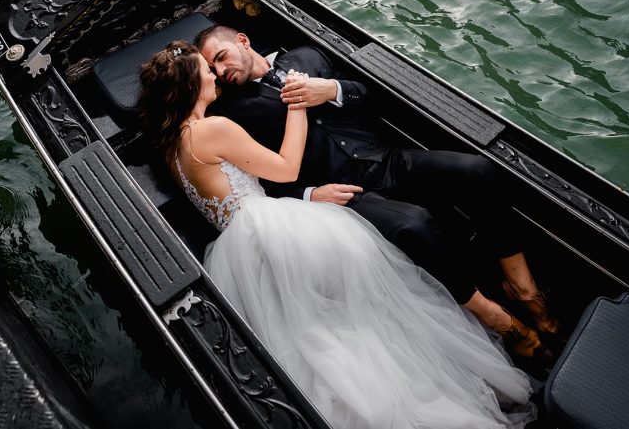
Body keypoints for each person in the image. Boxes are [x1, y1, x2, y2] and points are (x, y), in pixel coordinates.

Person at [138, 41, 537, 429]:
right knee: (375, 292)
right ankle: (475, 338)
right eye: (208, 72)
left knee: (335, 329)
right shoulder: (215, 126)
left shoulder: (174, 146)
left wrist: (327, 91)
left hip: (242, 245)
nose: (216, 77)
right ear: (192, 84)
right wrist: (296, 102)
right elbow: (286, 169)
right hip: (275, 226)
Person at [196, 25, 560, 360]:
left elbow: (374, 96)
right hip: (345, 192)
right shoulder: (233, 112)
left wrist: (333, 90)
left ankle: (523, 289)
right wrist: (309, 195)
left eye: (221, 56)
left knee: (478, 171)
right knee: (414, 224)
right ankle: (493, 315)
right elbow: (258, 176)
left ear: (243, 40)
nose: (220, 68)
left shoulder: (307, 56)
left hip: (387, 160)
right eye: (212, 66)